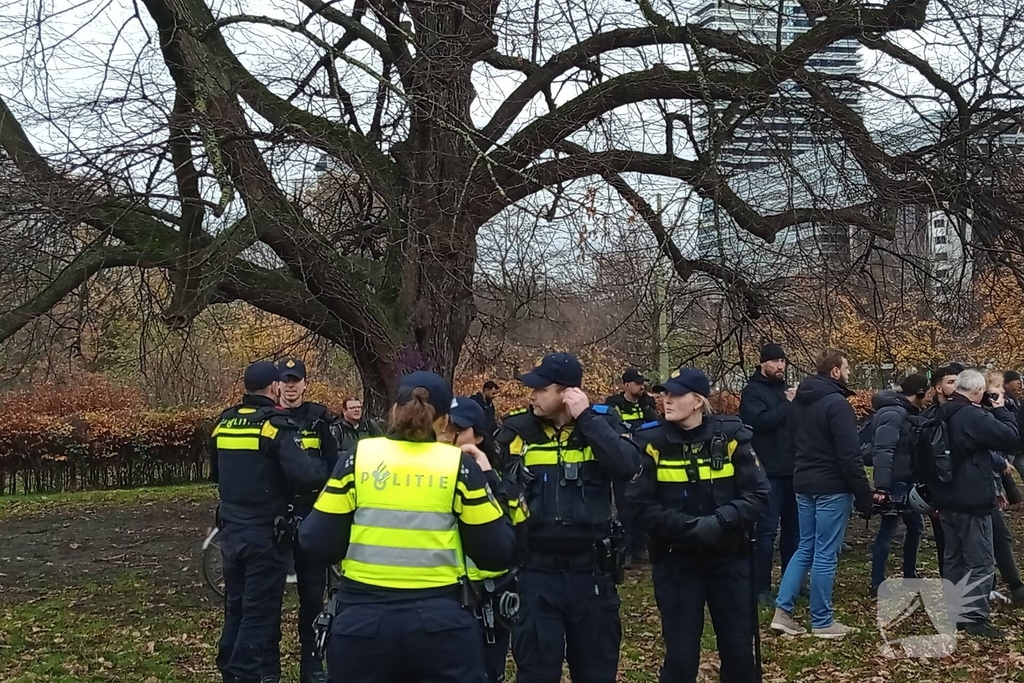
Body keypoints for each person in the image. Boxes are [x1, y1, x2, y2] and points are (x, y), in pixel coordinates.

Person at [298, 371, 517, 683]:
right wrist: (492, 481)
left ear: (393, 412)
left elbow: (314, 542)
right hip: (441, 628)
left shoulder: (359, 457)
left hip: (363, 625)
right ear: (443, 422)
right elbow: (497, 553)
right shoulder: (458, 466)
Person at [496, 352, 642, 683]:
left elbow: (629, 467)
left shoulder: (600, 424)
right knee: (535, 672)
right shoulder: (518, 430)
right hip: (536, 574)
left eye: (540, 389)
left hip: (590, 574)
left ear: (566, 393)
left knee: (595, 672)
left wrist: (587, 419)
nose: (531, 395)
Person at [629, 367, 769, 683]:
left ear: (697, 401)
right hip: (677, 562)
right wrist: (687, 526)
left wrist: (720, 521)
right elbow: (638, 505)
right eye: (664, 393)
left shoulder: (732, 437)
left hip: (729, 561)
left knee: (738, 656)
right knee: (680, 659)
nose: (666, 400)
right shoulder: (651, 443)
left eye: (676, 394)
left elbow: (759, 496)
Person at [212, 361, 329, 683]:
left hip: (231, 530)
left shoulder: (224, 423)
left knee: (235, 607)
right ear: (274, 388)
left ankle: (229, 671)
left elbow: (216, 473)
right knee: (259, 613)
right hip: (265, 535)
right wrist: (328, 471)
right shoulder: (274, 425)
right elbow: (305, 476)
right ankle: (247, 673)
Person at [770, 349, 872, 639]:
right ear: (835, 372)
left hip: (803, 483)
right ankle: (822, 620)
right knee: (826, 553)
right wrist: (864, 496)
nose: (850, 372)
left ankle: (783, 612)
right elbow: (849, 455)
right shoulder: (837, 405)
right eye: (847, 367)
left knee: (805, 547)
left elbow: (790, 444)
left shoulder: (798, 404)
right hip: (832, 486)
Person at [443, 397, 529, 683]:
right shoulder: (434, 474)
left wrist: (487, 476)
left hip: (490, 594)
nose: (449, 436)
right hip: (444, 595)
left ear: (478, 436)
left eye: (457, 429)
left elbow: (517, 531)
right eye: (445, 427)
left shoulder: (502, 475)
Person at [931, 369, 1019, 637]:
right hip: (972, 498)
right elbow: (1009, 437)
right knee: (980, 560)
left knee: (954, 557)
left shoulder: (941, 412)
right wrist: (1002, 409)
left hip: (945, 496)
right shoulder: (972, 415)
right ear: (978, 391)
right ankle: (974, 617)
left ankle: (955, 612)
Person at [273, 358, 340, 683]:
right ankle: (265, 666)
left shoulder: (319, 419)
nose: (291, 386)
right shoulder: (270, 420)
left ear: (304, 384)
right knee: (267, 596)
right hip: (278, 518)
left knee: (313, 598)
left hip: (313, 516)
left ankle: (312, 665)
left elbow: (333, 466)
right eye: (285, 381)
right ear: (277, 385)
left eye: (295, 380)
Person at [739, 343, 798, 606]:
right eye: (775, 361)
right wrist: (787, 405)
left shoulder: (786, 391)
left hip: (794, 470)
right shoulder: (752, 392)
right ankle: (760, 585)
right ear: (762, 364)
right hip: (768, 471)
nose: (780, 366)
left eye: (783, 361)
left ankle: (791, 581)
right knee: (765, 532)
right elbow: (758, 423)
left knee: (794, 532)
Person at [868, 374, 928, 598]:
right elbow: (883, 451)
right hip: (896, 482)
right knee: (889, 529)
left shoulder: (902, 412)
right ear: (919, 393)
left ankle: (906, 576)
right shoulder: (894, 413)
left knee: (911, 526)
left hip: (904, 479)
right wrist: (882, 488)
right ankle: (879, 580)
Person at [606, 367, 660, 566]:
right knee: (625, 506)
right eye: (637, 383)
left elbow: (656, 425)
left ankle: (640, 547)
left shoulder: (647, 403)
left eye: (642, 383)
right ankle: (625, 550)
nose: (641, 386)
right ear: (626, 385)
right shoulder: (614, 405)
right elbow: (612, 429)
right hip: (623, 461)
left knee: (643, 503)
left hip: (644, 459)